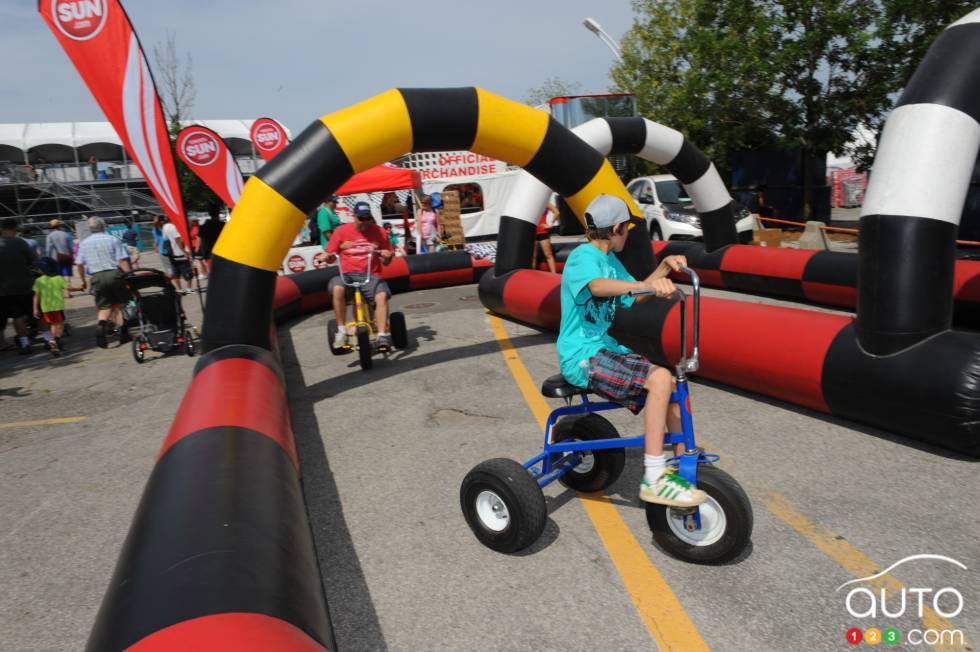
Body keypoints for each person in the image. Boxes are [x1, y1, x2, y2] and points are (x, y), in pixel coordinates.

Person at [557, 194, 705, 507]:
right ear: (616, 228)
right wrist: (647, 287)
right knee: (660, 379)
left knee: (672, 385)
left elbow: (634, 295)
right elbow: (596, 287)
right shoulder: (583, 257)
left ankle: (680, 462)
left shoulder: (611, 262)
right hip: (581, 356)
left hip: (604, 348)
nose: (629, 234)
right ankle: (654, 478)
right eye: (627, 228)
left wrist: (663, 268)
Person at [317, 201, 395, 350]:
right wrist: (325, 256)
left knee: (382, 295)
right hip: (347, 274)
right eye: (361, 218)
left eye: (368, 218)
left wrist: (387, 256)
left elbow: (387, 262)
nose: (365, 222)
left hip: (371, 275)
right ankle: (341, 331)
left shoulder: (379, 232)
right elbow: (331, 255)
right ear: (353, 216)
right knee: (337, 288)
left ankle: (382, 335)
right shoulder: (341, 231)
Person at [75, 217, 133, 348]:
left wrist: (83, 280)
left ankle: (101, 326)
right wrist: (129, 276)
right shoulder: (113, 239)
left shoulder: (84, 243)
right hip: (114, 274)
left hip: (96, 276)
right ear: (103, 226)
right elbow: (122, 261)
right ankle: (124, 333)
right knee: (119, 304)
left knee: (104, 306)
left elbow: (79, 263)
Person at [0, 218, 37, 354]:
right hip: (25, 285)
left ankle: (25, 344)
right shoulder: (20, 242)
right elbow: (33, 260)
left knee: (17, 316)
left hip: (5, 289)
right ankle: (49, 338)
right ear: (15, 228)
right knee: (37, 314)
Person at [32, 257, 78, 356]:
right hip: (57, 307)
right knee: (60, 324)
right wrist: (81, 288)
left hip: (46, 308)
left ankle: (54, 343)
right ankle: (56, 341)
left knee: (52, 325)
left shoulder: (39, 280)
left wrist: (35, 309)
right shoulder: (58, 278)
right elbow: (69, 288)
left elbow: (36, 296)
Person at [161, 217, 192, 293]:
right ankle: (189, 289)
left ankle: (179, 289)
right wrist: (185, 251)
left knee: (176, 272)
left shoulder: (165, 227)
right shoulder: (174, 227)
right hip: (179, 252)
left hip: (170, 253)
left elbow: (165, 239)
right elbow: (178, 240)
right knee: (187, 270)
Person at [532, 201, 559, 274]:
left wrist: (550, 224)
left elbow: (557, 212)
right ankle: (532, 276)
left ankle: (554, 275)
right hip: (532, 232)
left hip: (543, 232)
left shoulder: (545, 202)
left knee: (548, 255)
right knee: (533, 256)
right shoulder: (529, 202)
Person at [151, 215, 174, 280]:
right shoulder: (157, 229)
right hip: (164, 251)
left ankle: (172, 276)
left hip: (172, 250)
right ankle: (170, 277)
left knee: (174, 266)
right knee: (169, 268)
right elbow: (155, 225)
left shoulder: (168, 227)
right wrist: (156, 220)